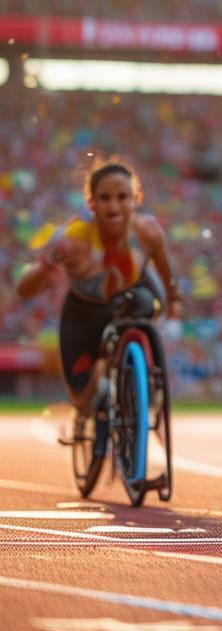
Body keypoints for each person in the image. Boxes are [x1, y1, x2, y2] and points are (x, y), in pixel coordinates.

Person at [16, 160, 182, 456]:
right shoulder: (74, 238)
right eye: (104, 198)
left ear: (136, 199)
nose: (114, 206)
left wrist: (175, 304)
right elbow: (24, 289)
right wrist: (46, 266)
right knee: (81, 397)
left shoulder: (149, 233)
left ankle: (140, 389)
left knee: (147, 306)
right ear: (91, 203)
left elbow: (169, 280)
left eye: (122, 196)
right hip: (84, 313)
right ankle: (91, 404)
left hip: (131, 300)